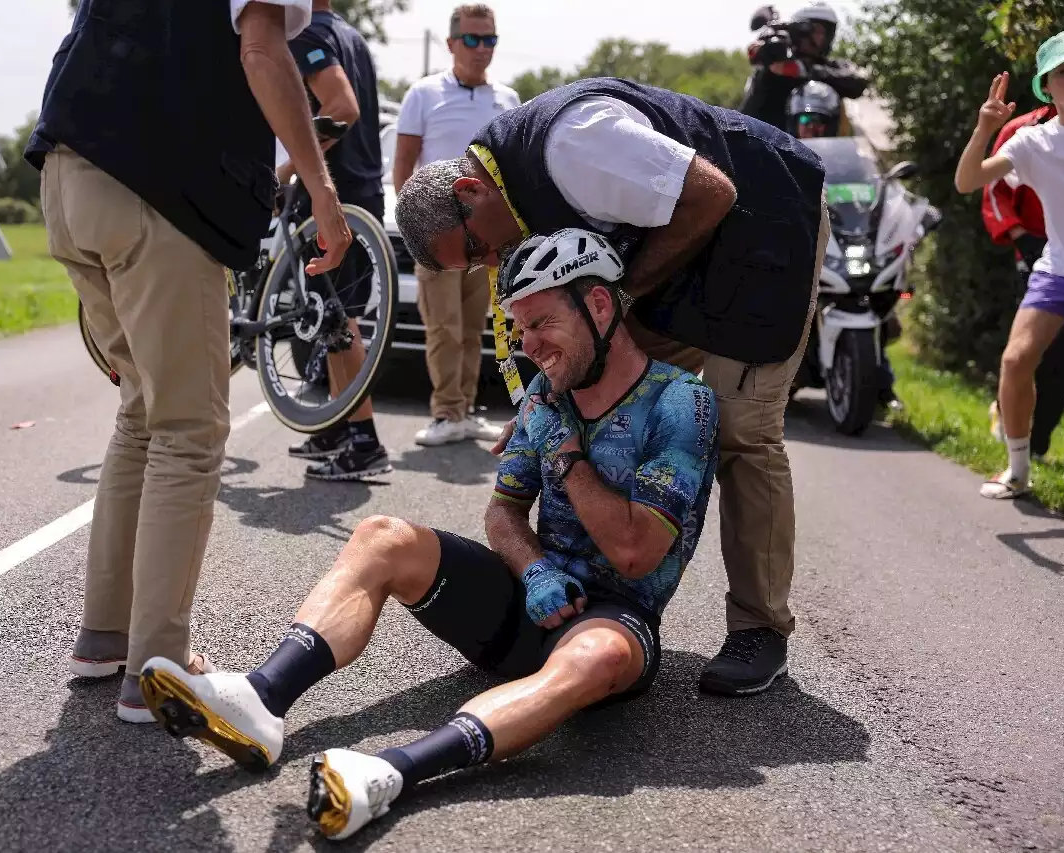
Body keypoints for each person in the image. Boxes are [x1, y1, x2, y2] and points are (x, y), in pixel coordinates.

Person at [137, 229, 719, 840]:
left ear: (599, 306)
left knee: (595, 654)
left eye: (541, 322)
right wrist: (534, 569)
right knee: (384, 535)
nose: (528, 346)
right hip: (530, 604)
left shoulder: (681, 403)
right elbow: (504, 513)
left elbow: (635, 553)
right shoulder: (552, 394)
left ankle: (386, 775)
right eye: (519, 329)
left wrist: (568, 454)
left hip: (613, 623)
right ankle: (259, 700)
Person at [394, 75, 829, 697]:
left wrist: (619, 298)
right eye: (475, 265)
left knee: (743, 432)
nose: (490, 263)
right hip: (689, 253)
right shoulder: (507, 198)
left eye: (477, 249)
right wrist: (549, 393)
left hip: (766, 224)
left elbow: (711, 194)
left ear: (470, 190)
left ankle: (760, 627)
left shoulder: (573, 144)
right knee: (596, 377)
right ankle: (596, 574)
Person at [24, 0, 352, 722]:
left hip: (68, 170)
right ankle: (157, 666)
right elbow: (262, 52)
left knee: (142, 414)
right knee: (190, 428)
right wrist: (323, 194)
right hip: (154, 186)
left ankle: (104, 636)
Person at [954, 31, 1064, 499]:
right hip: (1060, 269)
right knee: (1015, 360)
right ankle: (1018, 470)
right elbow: (968, 182)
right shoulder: (1031, 142)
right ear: (1047, 85)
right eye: (1062, 71)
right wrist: (985, 128)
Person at [392, 3, 520, 447]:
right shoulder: (423, 94)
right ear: (451, 43)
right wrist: (419, 232)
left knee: (474, 328)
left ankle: (465, 410)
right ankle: (446, 411)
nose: (482, 48)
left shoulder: (507, 99)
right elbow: (404, 167)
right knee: (442, 326)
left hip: (485, 239)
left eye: (490, 39)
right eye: (472, 39)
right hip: (440, 237)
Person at [279, 0, 393, 481]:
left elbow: (342, 107)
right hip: (363, 188)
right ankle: (336, 424)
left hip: (335, 190)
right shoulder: (350, 35)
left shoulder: (305, 37)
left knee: (338, 318)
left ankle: (364, 441)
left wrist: (289, 168)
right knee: (333, 314)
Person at [981, 99, 1064, 462]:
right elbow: (991, 189)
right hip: (1037, 251)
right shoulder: (1023, 131)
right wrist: (1020, 235)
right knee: (1030, 354)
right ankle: (1012, 430)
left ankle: (1038, 445)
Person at [739, 3, 868, 135]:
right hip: (770, 149)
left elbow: (858, 81)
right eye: (816, 31)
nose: (821, 38)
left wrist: (802, 70)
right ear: (800, 32)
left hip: (826, 150)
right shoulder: (775, 67)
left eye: (825, 33)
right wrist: (768, 56)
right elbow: (748, 115)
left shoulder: (832, 66)